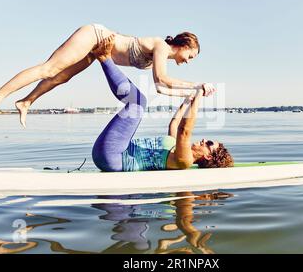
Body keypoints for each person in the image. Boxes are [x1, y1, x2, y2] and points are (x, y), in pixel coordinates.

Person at [0, 23, 216, 133]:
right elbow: (163, 79)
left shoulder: (158, 57)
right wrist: (197, 84)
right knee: (49, 69)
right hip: (94, 36)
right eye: (191, 55)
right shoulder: (162, 47)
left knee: (61, 78)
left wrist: (193, 94)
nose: (189, 61)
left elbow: (161, 88)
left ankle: (26, 101)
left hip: (96, 51)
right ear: (183, 45)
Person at [91, 36, 233, 172]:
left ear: (208, 156)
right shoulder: (175, 147)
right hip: (112, 152)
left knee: (138, 102)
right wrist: (187, 101)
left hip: (115, 156)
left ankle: (104, 58)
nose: (204, 140)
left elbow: (184, 131)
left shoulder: (185, 160)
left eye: (208, 144)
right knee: (138, 101)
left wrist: (198, 94)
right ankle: (104, 58)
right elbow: (174, 125)